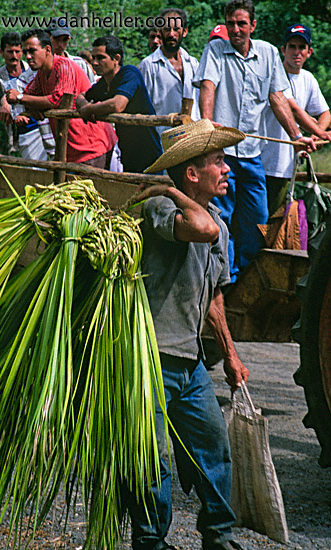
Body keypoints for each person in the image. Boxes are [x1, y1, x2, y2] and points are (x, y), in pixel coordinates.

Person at [123, 118, 249, 550]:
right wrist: (171, 191)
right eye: (218, 162)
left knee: (214, 449)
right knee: (152, 460)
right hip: (151, 357)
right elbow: (200, 229)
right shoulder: (159, 207)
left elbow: (214, 297)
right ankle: (151, 541)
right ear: (191, 173)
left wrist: (230, 355)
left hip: (191, 364)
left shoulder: (219, 222)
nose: (227, 169)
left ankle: (218, 535)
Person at [193, 0, 315, 282]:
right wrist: (208, 124)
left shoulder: (269, 53)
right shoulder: (215, 50)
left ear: (253, 25)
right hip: (221, 153)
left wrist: (296, 136)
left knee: (256, 218)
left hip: (251, 154)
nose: (236, 30)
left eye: (242, 24)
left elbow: (277, 98)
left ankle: (243, 278)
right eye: (231, 24)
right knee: (220, 216)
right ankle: (220, 276)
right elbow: (208, 86)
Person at [6, 29, 116, 168]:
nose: (27, 56)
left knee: (94, 188)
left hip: (92, 146)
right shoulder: (41, 74)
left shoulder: (63, 66)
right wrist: (31, 105)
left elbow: (57, 99)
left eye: (32, 51)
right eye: (26, 52)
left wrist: (20, 98)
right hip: (70, 149)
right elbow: (30, 95)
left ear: (47, 50)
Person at [262, 23, 331, 215]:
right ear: (283, 50)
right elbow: (294, 111)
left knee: (281, 220)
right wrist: (322, 133)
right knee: (261, 219)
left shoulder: (308, 79)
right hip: (266, 161)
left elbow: (325, 113)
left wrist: (316, 138)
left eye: (302, 48)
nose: (297, 52)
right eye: (292, 47)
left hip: (288, 165)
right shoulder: (274, 75)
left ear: (309, 52)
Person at [76, 35, 162, 174]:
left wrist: (90, 109)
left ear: (116, 58)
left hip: (149, 156)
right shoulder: (104, 83)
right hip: (129, 155)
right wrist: (86, 107)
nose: (95, 63)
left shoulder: (130, 73)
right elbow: (80, 97)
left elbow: (118, 104)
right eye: (94, 58)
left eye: (101, 58)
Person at [0, 31, 55, 160]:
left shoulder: (33, 69)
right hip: (23, 131)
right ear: (2, 52)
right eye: (9, 52)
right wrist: (6, 105)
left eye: (18, 51)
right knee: (34, 169)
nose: (14, 56)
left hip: (44, 125)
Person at [139, 8, 200, 136]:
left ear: (184, 32)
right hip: (161, 138)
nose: (172, 34)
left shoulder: (193, 63)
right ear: (160, 32)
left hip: (192, 137)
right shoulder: (149, 65)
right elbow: (142, 107)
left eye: (176, 29)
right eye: (167, 29)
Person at [46, 17, 97, 84]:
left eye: (65, 40)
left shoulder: (80, 64)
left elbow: (92, 88)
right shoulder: (39, 65)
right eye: (56, 39)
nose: (60, 44)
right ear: (48, 36)